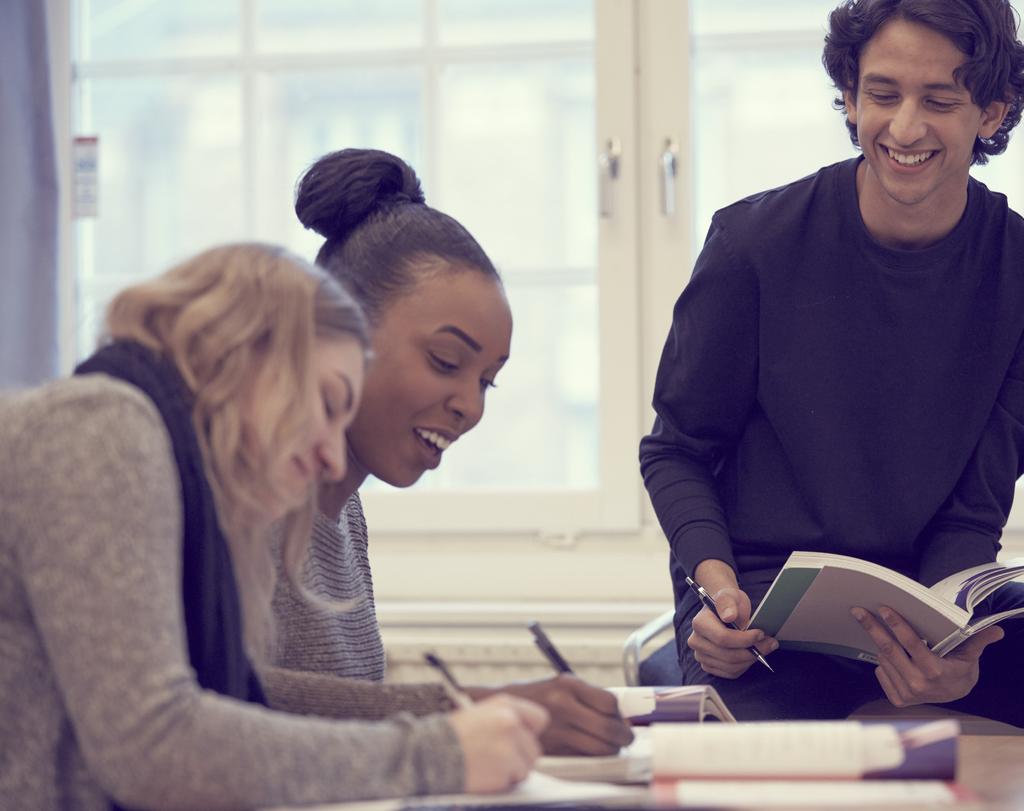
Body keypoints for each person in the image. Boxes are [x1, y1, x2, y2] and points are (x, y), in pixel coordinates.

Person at [0, 242, 548, 810]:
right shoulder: (97, 428)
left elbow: (242, 699)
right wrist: (440, 754)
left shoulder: (160, 459)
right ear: (246, 357)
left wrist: (449, 720)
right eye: (330, 402)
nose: (336, 460)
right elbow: (154, 743)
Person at [639, 0, 1024, 726]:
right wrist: (714, 591)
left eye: (939, 100)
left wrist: (945, 642)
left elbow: (974, 505)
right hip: (756, 612)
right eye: (882, 95)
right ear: (849, 99)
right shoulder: (752, 244)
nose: (904, 128)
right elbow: (677, 452)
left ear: (992, 114)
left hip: (914, 613)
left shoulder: (1016, 271)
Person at [259, 148, 635, 756]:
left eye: (486, 380)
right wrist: (470, 710)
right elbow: (222, 701)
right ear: (339, 326)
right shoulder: (242, 491)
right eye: (445, 362)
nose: (471, 406)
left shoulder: (345, 512)